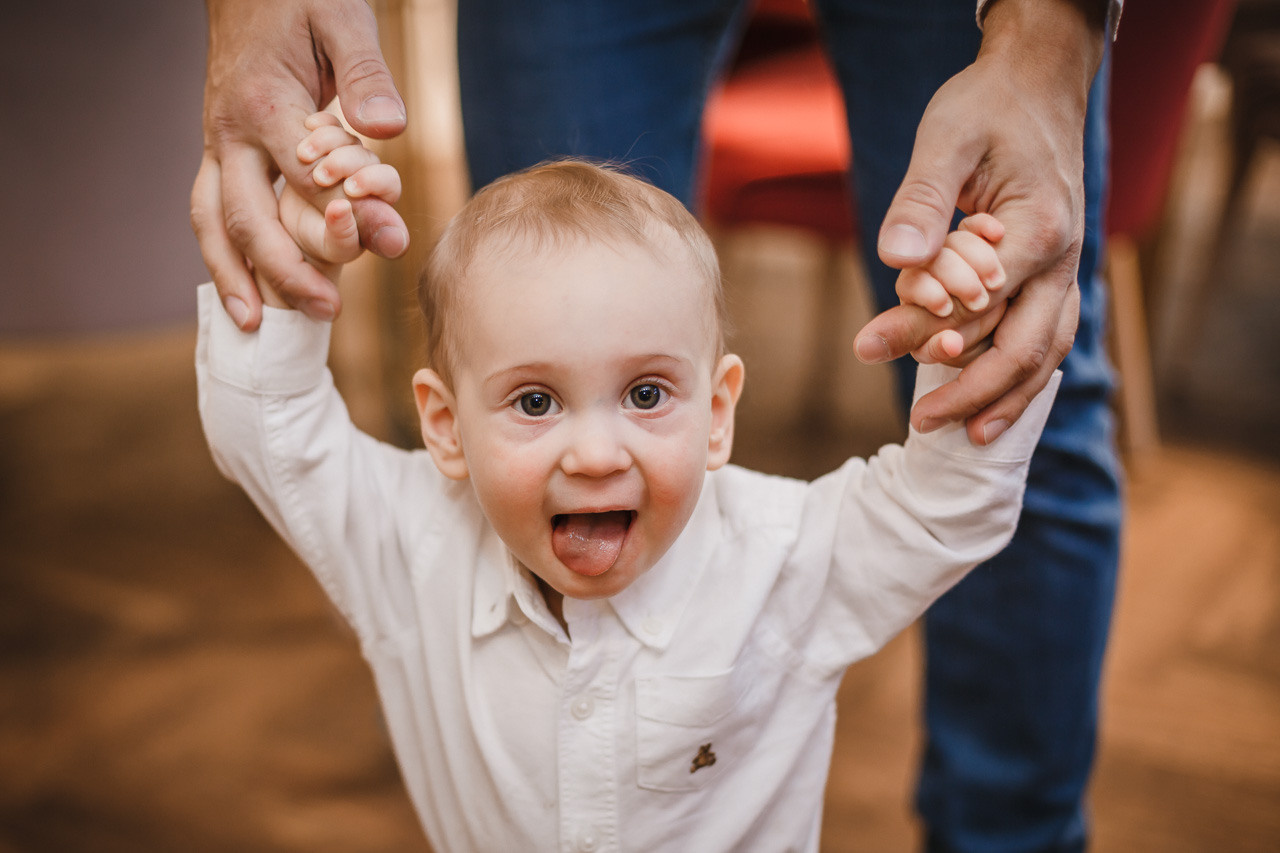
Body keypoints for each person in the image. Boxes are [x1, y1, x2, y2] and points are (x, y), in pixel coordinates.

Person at [191, 1, 1124, 848]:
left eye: (645, 395)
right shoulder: (410, 546)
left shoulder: (782, 560)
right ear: (442, 423)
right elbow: (270, 436)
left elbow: (940, 510)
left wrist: (966, 343)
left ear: (719, 412)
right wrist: (288, 279)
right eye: (534, 400)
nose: (597, 455)